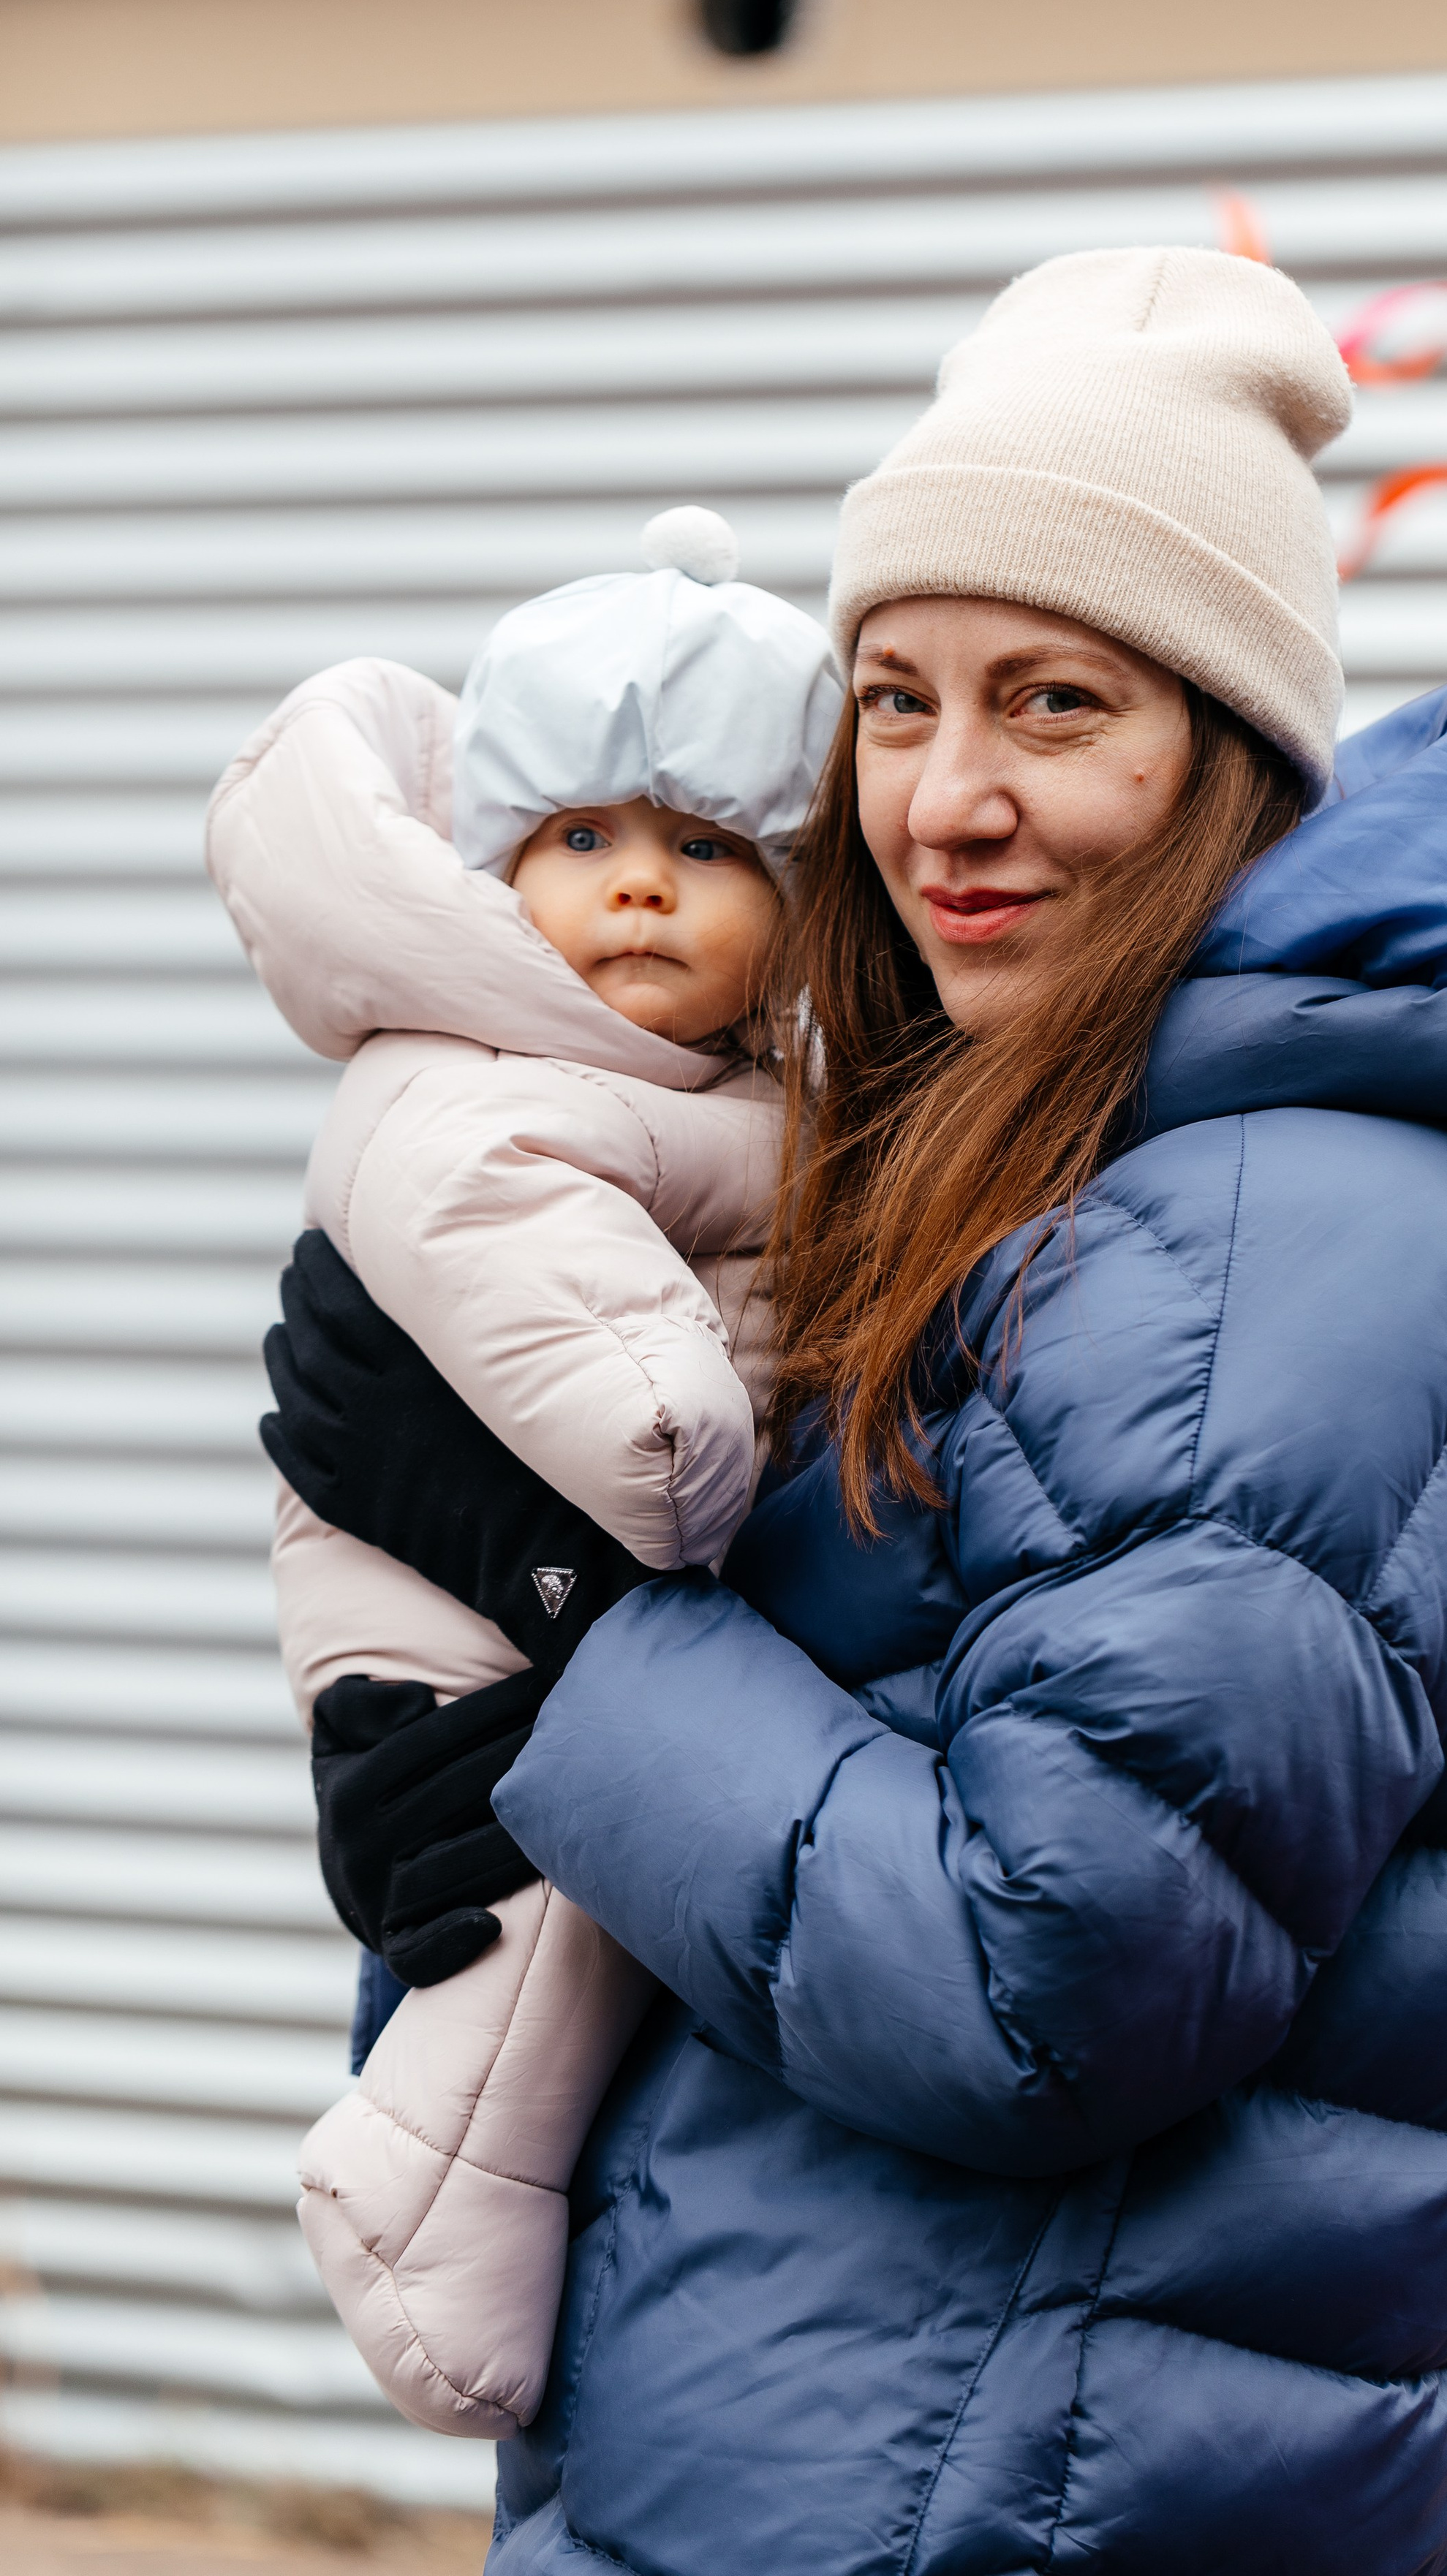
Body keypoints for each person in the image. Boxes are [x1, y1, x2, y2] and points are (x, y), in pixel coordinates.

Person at [263, 247, 1447, 2575]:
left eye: (1055, 706)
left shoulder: (1285, 1240)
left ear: (1229, 753)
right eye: (899, 702)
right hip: (871, 2439)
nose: (949, 800)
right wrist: (472, 1805)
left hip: (1002, 2497)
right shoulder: (1024, 1155)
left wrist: (577, 1629)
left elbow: (1050, 1981)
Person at [208, 508, 841, 2437]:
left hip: (579, 1611)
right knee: (531, 1936)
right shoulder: (473, 1069)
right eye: (584, 842)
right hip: (449, 1625)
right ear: (498, 873)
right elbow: (564, 1320)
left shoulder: (732, 1096)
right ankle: (418, 2205)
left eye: (706, 849)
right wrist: (675, 1434)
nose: (640, 892)